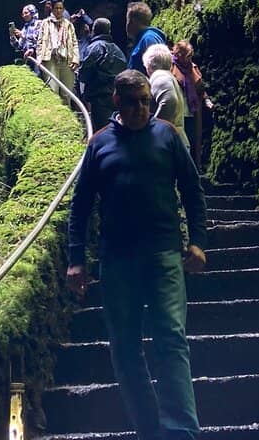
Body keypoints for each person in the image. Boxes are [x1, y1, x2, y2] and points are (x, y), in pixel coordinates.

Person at [67, 69, 207, 440]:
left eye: (146, 101)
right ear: (117, 102)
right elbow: (79, 207)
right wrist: (76, 259)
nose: (141, 109)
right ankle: (148, 428)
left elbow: (192, 190)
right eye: (133, 102)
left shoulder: (167, 136)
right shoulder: (99, 145)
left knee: (171, 338)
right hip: (117, 262)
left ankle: (181, 430)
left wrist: (197, 241)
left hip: (163, 255)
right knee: (126, 348)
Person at [77, 17, 126, 129]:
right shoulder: (118, 51)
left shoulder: (95, 47)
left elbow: (84, 73)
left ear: (94, 30)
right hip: (116, 96)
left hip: (99, 96)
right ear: (109, 31)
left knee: (101, 129)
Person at [142, 42, 188, 145]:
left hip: (168, 142)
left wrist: (152, 129)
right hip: (175, 140)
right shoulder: (168, 76)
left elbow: (169, 101)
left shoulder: (160, 76)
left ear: (149, 64)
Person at [172, 40, 206, 168]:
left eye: (191, 56)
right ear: (179, 54)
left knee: (193, 140)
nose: (189, 59)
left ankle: (193, 169)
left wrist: (206, 99)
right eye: (187, 56)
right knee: (180, 142)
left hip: (192, 111)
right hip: (178, 111)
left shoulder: (193, 68)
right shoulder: (171, 67)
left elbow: (201, 88)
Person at [36, 0, 79, 96]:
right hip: (50, 58)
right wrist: (39, 58)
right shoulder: (45, 23)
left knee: (67, 93)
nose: (59, 10)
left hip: (66, 59)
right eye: (56, 8)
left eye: (61, 8)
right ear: (52, 9)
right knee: (53, 90)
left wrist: (76, 59)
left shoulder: (68, 25)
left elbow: (74, 43)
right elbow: (40, 42)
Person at [125, 0, 168, 72]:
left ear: (133, 21)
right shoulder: (143, 39)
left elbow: (157, 69)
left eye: (128, 20)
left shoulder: (148, 39)